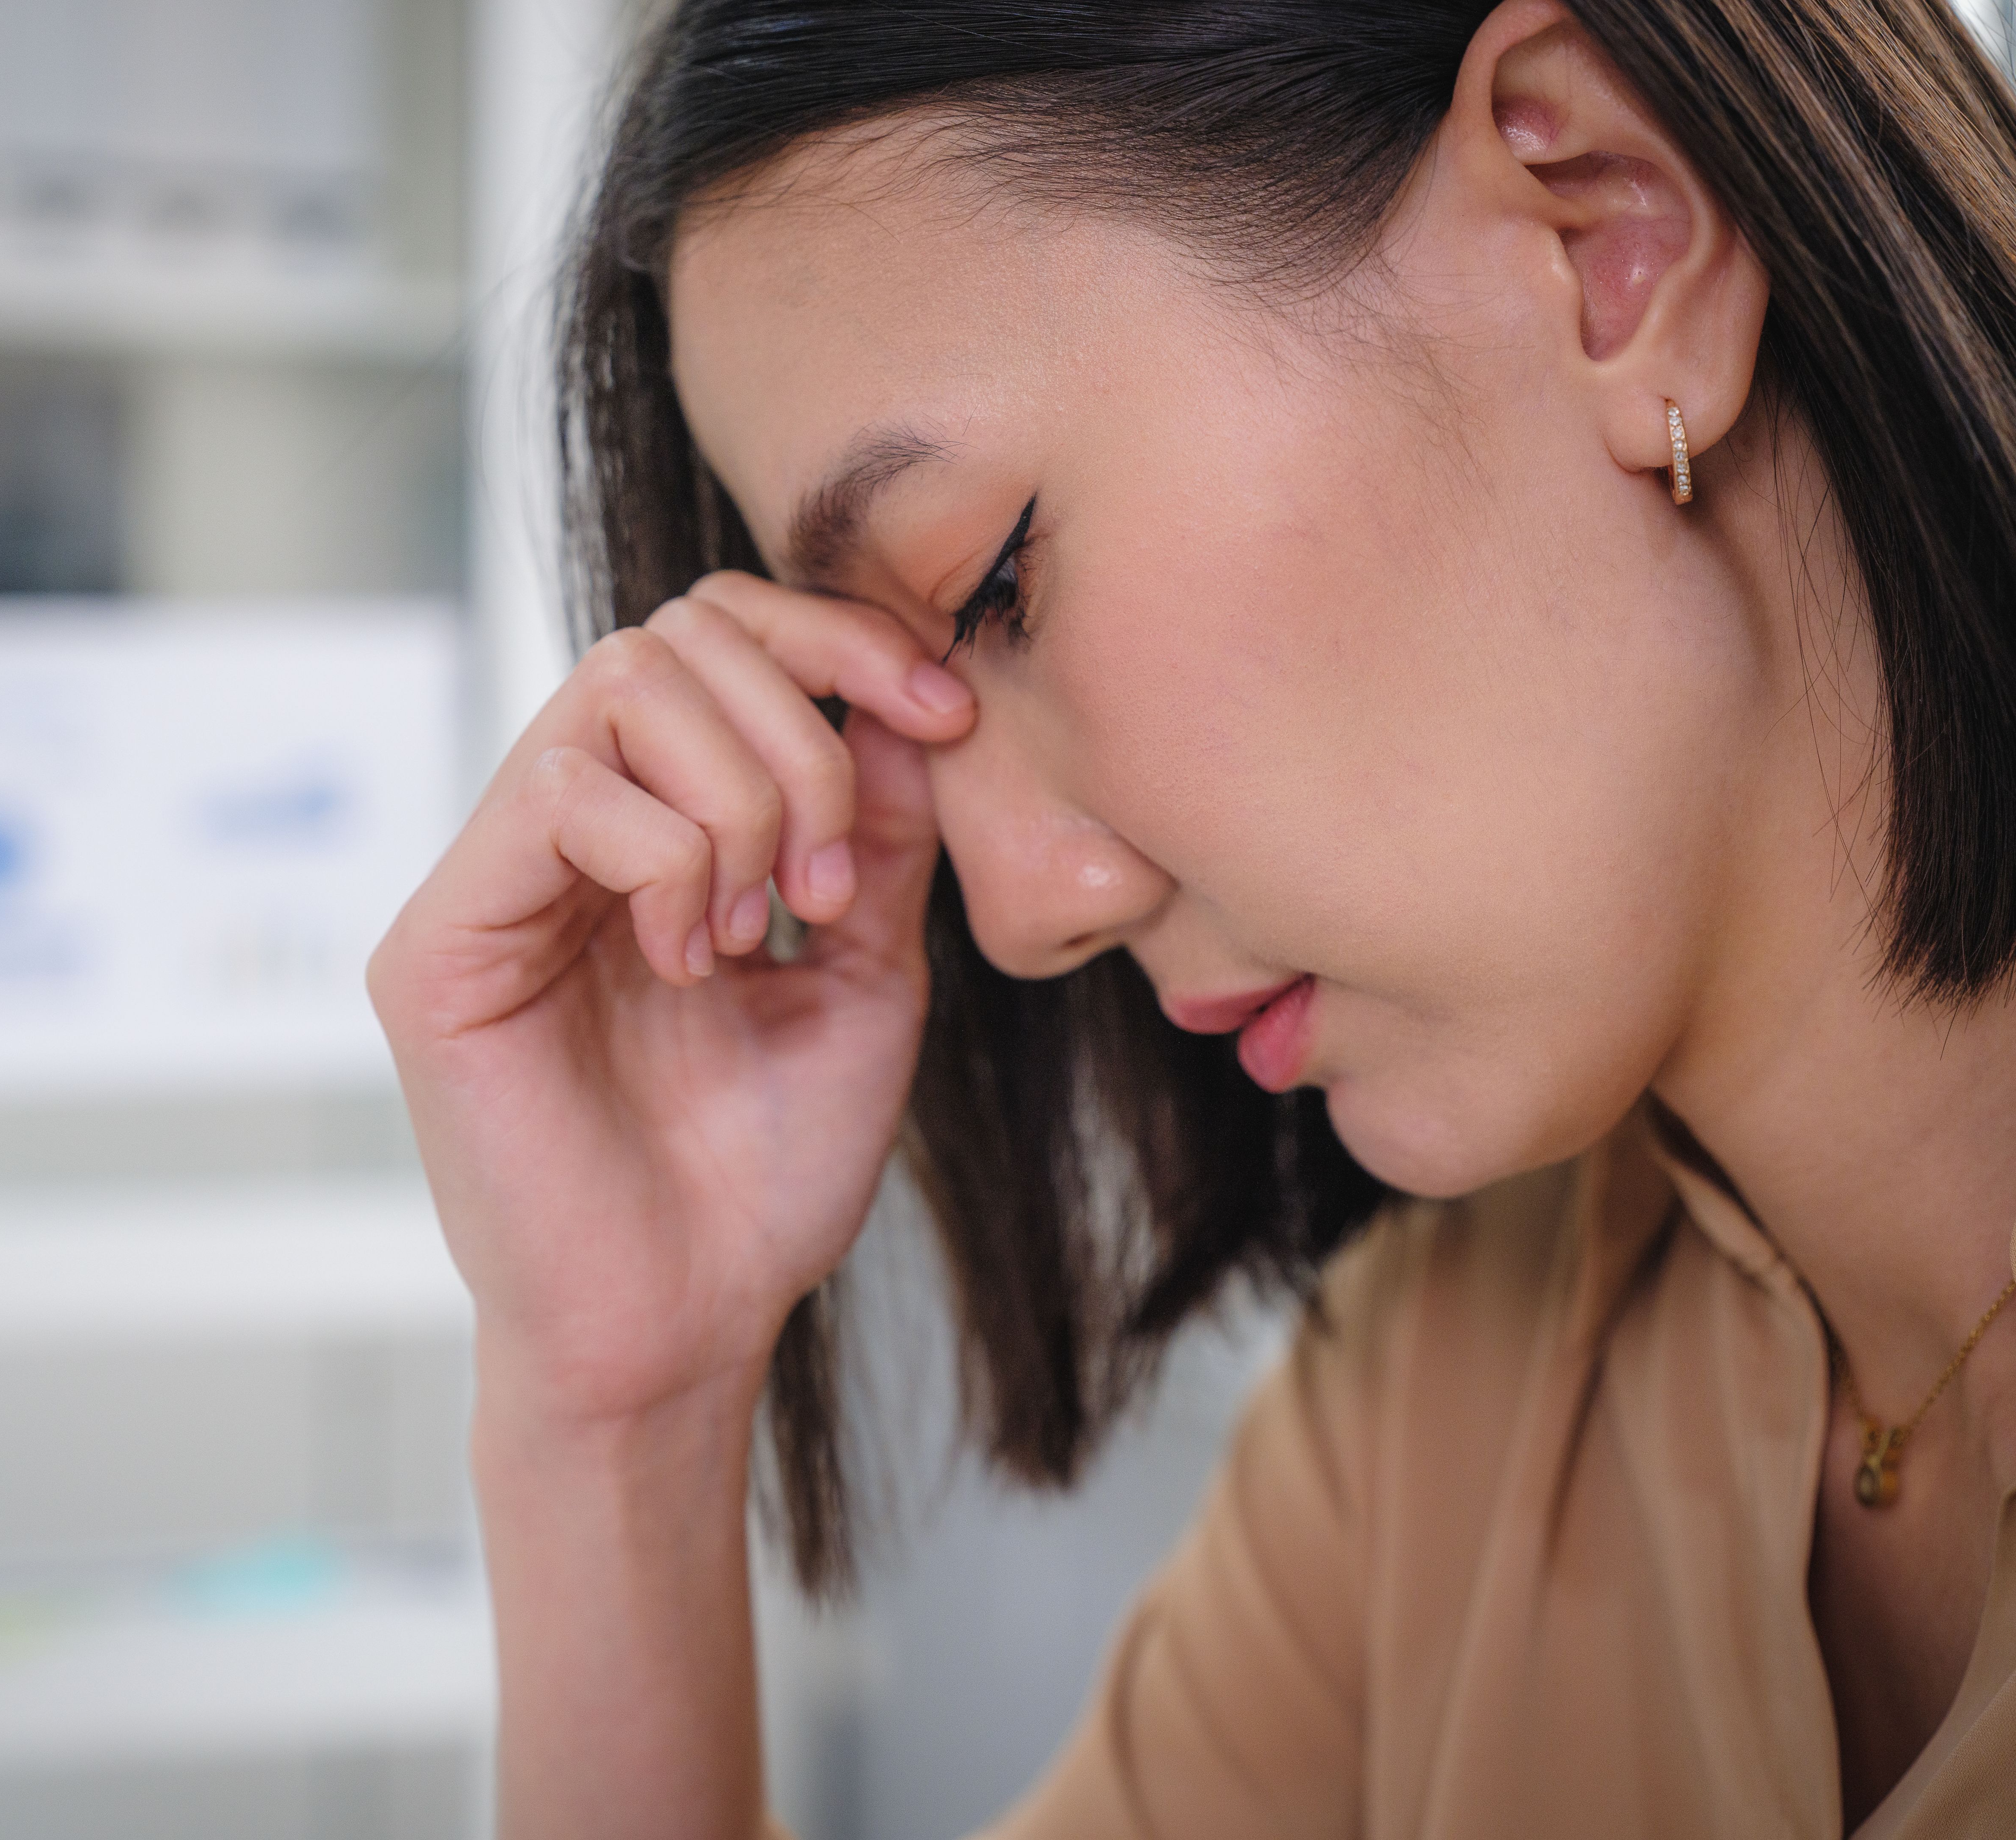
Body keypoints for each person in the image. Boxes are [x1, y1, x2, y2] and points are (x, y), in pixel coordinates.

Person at [366, 0, 2016, 1831]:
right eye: (883, 700)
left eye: (987, 585)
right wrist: (620, 1421)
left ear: (1605, 235)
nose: (1011, 918)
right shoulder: (1440, 1413)